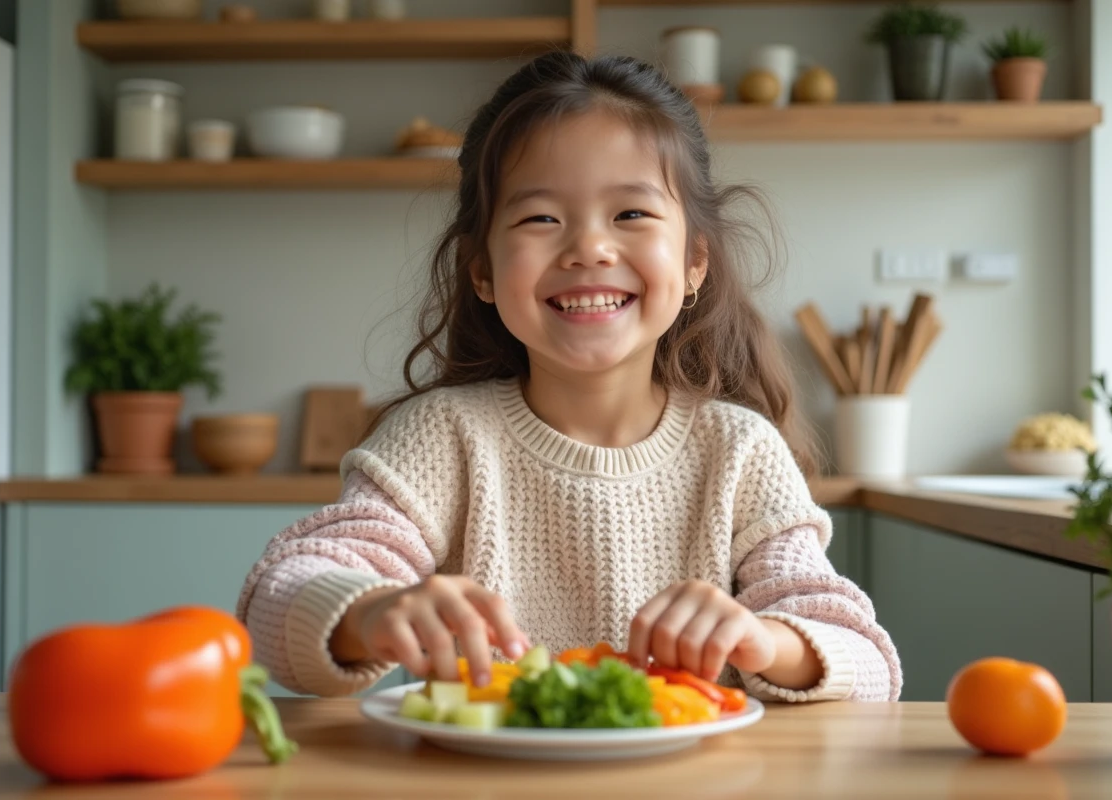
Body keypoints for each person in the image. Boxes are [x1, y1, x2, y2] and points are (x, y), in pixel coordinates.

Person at [237, 51, 902, 703]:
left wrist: (764, 640)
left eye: (631, 214)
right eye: (540, 218)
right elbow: (275, 602)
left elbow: (868, 662)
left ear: (694, 262)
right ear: (482, 270)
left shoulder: (741, 450)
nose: (589, 248)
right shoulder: (439, 437)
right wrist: (372, 611)